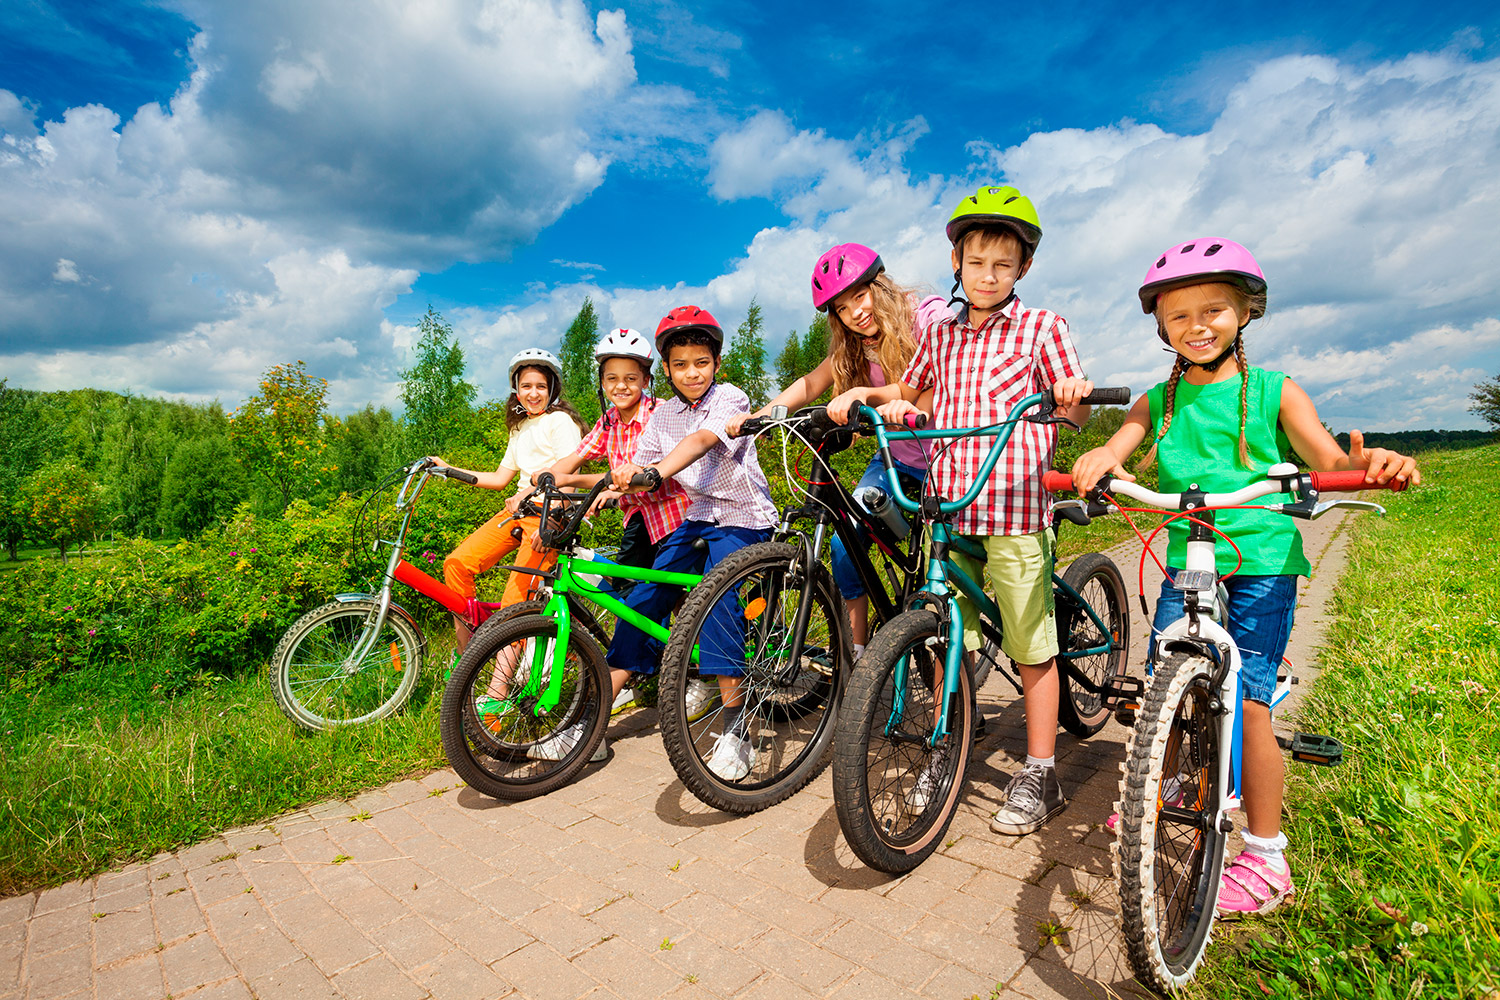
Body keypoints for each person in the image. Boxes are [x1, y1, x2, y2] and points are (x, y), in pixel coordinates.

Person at [1069, 237, 1419, 916]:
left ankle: (1265, 858)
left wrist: (1368, 460)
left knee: (1250, 700)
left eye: (1214, 310)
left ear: (1245, 312)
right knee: (1168, 684)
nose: (1197, 326)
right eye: (1179, 317)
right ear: (1161, 326)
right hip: (1185, 556)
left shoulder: (1274, 391)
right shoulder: (1157, 399)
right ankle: (1165, 791)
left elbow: (1324, 456)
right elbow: (1120, 448)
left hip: (1259, 559)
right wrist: (1099, 461)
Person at [850, 185, 1095, 834]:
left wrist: (1070, 397)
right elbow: (913, 388)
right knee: (943, 640)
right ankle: (946, 743)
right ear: (956, 261)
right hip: (949, 505)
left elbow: (1076, 409)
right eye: (976, 262)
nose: (987, 276)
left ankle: (1040, 772)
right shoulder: (943, 333)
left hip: (1015, 509)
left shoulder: (1045, 328)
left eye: (1002, 265)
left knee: (1031, 646)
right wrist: (884, 401)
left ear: (1023, 269)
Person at [727, 243, 944, 660]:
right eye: (842, 309)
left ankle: (952, 662)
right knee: (846, 540)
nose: (856, 313)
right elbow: (811, 384)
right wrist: (760, 417)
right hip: (895, 459)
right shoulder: (854, 344)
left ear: (879, 286)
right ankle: (856, 650)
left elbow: (953, 383)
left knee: (943, 564)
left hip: (949, 458)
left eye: (860, 297)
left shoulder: (927, 317)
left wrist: (881, 398)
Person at [601, 305, 779, 779]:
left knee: (714, 599)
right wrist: (614, 487)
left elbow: (701, 441)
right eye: (680, 365)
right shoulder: (663, 416)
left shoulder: (731, 398)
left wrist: (653, 472)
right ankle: (592, 721)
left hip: (744, 518)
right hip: (698, 518)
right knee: (642, 597)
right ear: (669, 370)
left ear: (716, 363)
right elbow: (643, 469)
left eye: (701, 362)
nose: (692, 372)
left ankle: (738, 728)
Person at [535, 327, 713, 721]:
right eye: (612, 378)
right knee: (631, 600)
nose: (622, 386)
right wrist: (545, 479)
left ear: (647, 380)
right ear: (601, 382)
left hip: (675, 515)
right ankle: (632, 673)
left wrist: (616, 488)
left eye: (631, 378)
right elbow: (577, 459)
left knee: (682, 600)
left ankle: (698, 677)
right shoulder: (609, 423)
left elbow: (659, 469)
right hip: (639, 520)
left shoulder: (661, 415)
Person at [438, 348, 585, 654]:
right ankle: (467, 661)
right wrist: (449, 469)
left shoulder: (560, 422)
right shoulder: (519, 428)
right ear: (516, 391)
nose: (533, 393)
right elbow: (499, 478)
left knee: (514, 602)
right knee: (456, 564)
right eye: (526, 386)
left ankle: (498, 692)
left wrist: (553, 520)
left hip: (548, 514)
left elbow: (570, 476)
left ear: (552, 390)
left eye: (541, 387)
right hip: (517, 512)